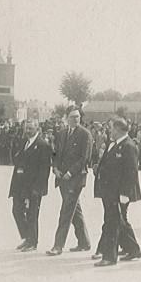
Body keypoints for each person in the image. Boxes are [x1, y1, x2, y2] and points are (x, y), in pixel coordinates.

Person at [92, 118, 141, 266]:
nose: (109, 131)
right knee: (119, 221)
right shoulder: (114, 144)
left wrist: (125, 194)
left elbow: (131, 171)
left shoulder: (128, 146)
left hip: (119, 192)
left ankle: (109, 257)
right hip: (109, 191)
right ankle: (133, 249)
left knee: (112, 222)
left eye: (111, 128)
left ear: (119, 129)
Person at [47, 105, 93, 256]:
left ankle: (58, 245)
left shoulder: (85, 134)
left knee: (66, 211)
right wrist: (55, 168)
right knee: (74, 210)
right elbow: (55, 152)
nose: (75, 119)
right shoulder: (61, 133)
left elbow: (84, 158)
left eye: (77, 117)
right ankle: (84, 242)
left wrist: (69, 173)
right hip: (62, 178)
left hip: (75, 178)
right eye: (72, 117)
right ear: (66, 118)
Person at [9, 119, 52, 252]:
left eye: (31, 129)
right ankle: (27, 237)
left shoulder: (43, 145)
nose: (27, 131)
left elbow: (44, 170)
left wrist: (37, 188)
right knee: (16, 210)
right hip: (19, 184)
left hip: (34, 186)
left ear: (37, 129)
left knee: (32, 214)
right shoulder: (23, 143)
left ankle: (33, 242)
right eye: (26, 128)